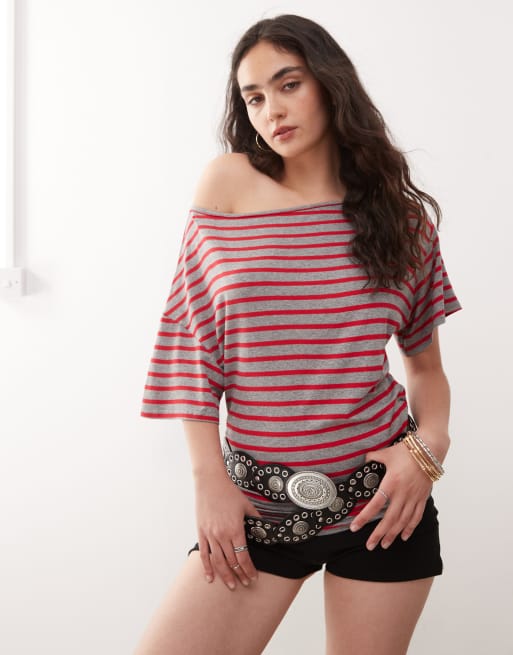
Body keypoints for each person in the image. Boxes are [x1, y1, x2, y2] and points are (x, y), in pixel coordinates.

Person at [133, 13, 461, 655]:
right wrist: (209, 482)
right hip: (257, 509)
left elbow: (425, 368)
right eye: (254, 97)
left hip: (383, 504)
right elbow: (194, 348)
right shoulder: (227, 185)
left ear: (331, 84)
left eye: (288, 85)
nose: (271, 111)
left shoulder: (402, 221)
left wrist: (427, 454)